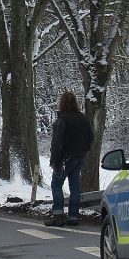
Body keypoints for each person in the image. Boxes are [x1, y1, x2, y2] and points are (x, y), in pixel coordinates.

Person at [45, 91, 94, 227]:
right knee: (75, 187)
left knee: (56, 185)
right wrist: (84, 150)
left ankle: (58, 215)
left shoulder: (61, 120)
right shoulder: (83, 119)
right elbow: (91, 137)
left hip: (64, 158)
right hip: (79, 156)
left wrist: (54, 161)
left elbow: (56, 143)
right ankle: (73, 216)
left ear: (61, 103)